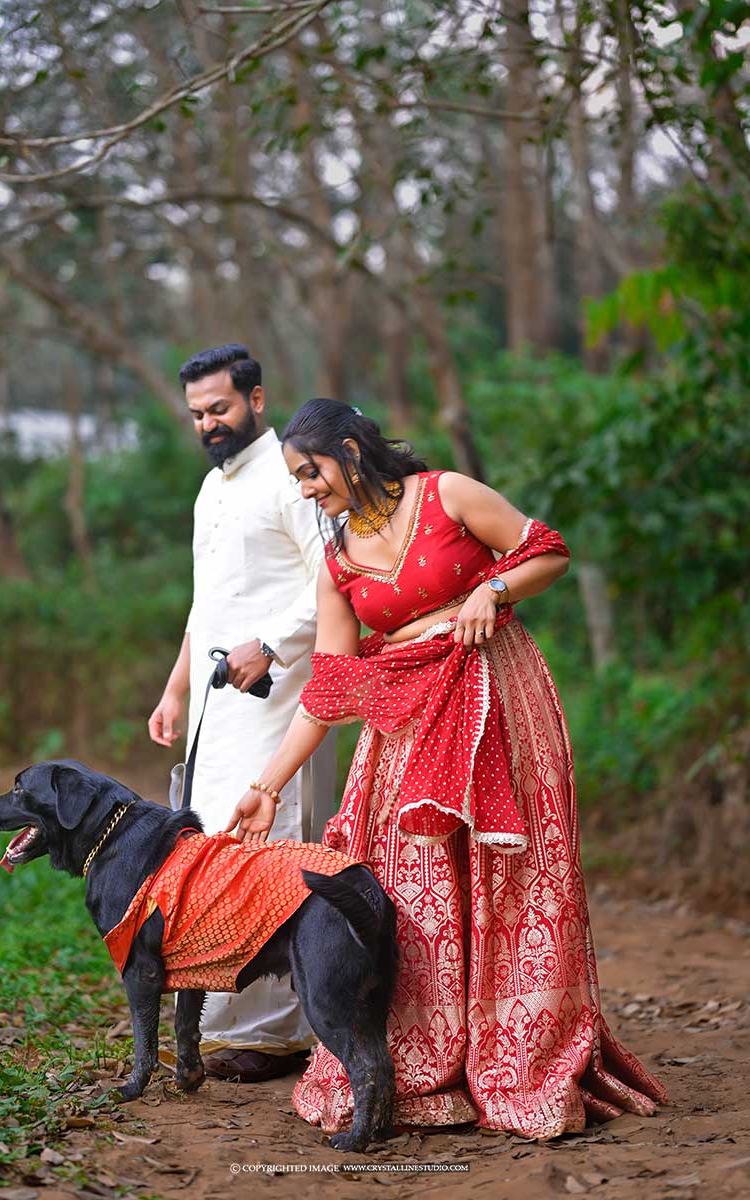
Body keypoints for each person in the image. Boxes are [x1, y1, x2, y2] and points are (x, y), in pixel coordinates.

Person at [224, 398, 668, 1139]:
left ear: (352, 451)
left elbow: (546, 549)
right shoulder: (337, 559)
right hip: (406, 724)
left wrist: (491, 589)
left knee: (510, 879)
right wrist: (265, 787)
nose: (307, 489)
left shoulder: (447, 493)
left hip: (498, 696)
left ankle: (517, 1052)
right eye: (298, 480)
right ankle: (418, 1062)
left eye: (311, 472)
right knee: (406, 887)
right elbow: (330, 690)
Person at [148, 347, 336, 1083]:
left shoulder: (290, 478)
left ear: (256, 399)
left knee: (267, 841)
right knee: (207, 848)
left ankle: (277, 1031)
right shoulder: (209, 489)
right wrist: (173, 688)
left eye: (219, 409)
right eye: (197, 414)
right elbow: (207, 601)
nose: (208, 424)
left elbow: (331, 577)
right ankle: (218, 1026)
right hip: (210, 703)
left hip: (277, 695)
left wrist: (273, 644)